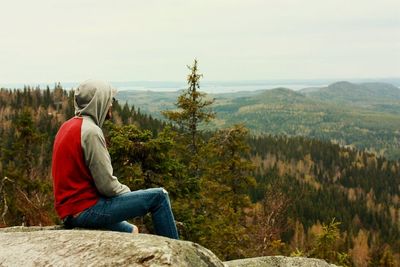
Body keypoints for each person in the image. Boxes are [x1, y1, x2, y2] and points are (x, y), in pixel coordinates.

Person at [51, 79, 179, 239]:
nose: (111, 104)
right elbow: (107, 186)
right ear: (100, 101)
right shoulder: (91, 132)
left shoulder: (67, 127)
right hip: (85, 210)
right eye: (109, 100)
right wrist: (132, 197)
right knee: (159, 196)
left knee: (131, 231)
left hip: (70, 214)